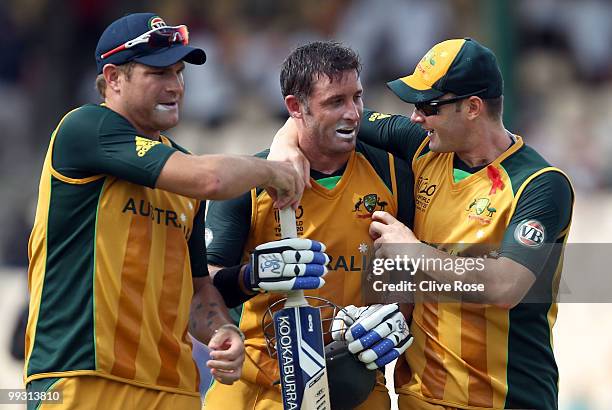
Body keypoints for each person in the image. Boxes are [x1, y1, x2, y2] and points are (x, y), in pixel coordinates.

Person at [274, 37, 574, 410]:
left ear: (472, 108)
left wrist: (414, 252)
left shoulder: (540, 183)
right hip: (420, 397)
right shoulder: (424, 146)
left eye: (428, 106)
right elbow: (327, 116)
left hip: (507, 399)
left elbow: (506, 286)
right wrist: (284, 144)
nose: (416, 117)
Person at [24, 13, 305, 410]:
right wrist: (274, 169)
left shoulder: (181, 167)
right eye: (158, 73)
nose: (175, 86)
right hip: (81, 378)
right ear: (114, 78)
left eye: (178, 72)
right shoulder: (85, 127)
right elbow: (211, 179)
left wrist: (223, 330)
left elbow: (196, 289)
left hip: (173, 389)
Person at [203, 41, 414, 409]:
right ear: (294, 108)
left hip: (357, 387)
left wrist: (396, 313)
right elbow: (204, 284)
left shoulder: (394, 174)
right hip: (259, 390)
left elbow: (415, 275)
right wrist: (254, 275)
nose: (353, 113)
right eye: (335, 102)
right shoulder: (251, 183)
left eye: (358, 98)